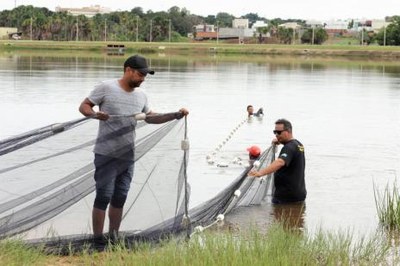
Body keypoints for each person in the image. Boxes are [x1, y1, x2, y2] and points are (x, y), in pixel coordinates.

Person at [79, 54, 189, 243]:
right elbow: (84, 106)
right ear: (128, 70)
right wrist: (96, 115)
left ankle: (113, 237)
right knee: (103, 196)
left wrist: (175, 115)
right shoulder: (106, 87)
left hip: (127, 155)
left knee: (120, 197)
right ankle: (97, 240)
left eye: (145, 76)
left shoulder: (141, 96)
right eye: (140, 74)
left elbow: (150, 117)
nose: (143, 79)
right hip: (105, 153)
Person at [249, 119, 306, 204]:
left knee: (278, 217)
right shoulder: (298, 144)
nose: (276, 135)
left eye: (279, 132)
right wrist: (278, 142)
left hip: (286, 197)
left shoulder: (288, 148)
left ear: (287, 132)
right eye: (274, 132)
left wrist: (260, 173)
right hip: (298, 194)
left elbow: (280, 162)